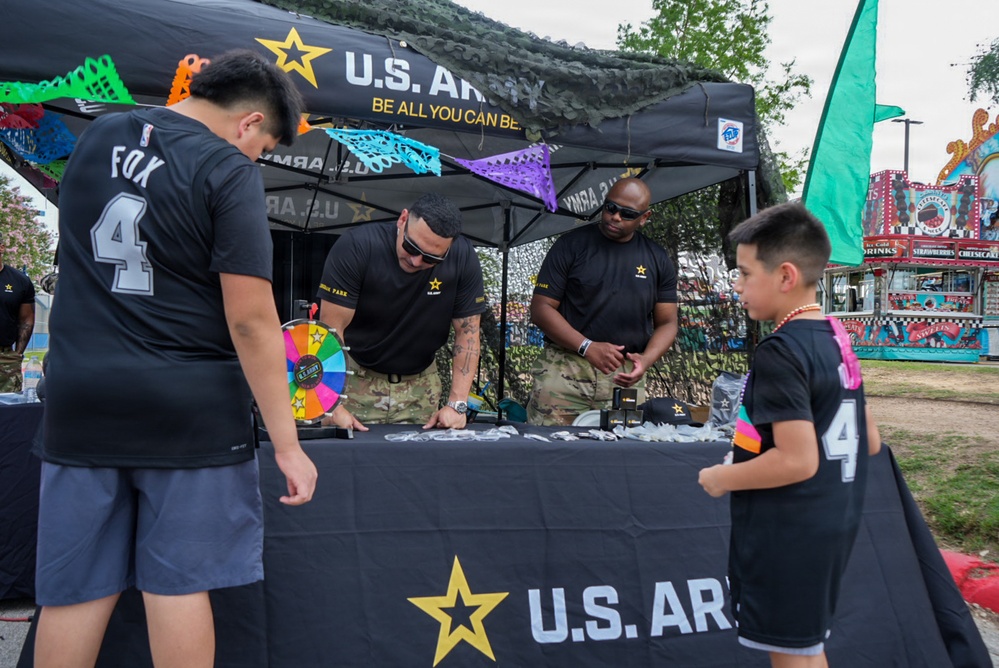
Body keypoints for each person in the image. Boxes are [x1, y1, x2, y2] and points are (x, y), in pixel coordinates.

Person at [34, 50, 317, 668]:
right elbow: (249, 320)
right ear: (248, 123)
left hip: (81, 397)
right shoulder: (226, 167)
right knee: (178, 586)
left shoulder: (98, 134)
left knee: (73, 592)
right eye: (264, 149)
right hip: (187, 410)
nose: (258, 161)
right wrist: (288, 443)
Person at [698, 202, 882, 668]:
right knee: (803, 647)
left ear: (784, 276)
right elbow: (871, 440)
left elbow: (798, 461)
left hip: (790, 530)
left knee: (792, 655)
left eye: (743, 273)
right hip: (830, 523)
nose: (736, 286)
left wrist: (722, 479)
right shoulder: (837, 336)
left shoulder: (780, 349)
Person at [316, 193, 486, 430]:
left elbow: (468, 334)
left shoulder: (463, 257)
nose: (416, 261)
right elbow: (331, 331)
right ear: (403, 220)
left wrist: (457, 404)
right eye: (411, 246)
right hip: (356, 380)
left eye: (430, 258)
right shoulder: (358, 246)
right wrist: (331, 403)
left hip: (421, 386)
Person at [526, 177, 679, 425]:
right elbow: (541, 308)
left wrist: (647, 359)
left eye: (627, 213)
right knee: (549, 453)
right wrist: (587, 346)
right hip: (565, 371)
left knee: (619, 458)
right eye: (611, 207)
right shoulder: (570, 245)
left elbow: (668, 322)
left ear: (644, 217)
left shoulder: (657, 259)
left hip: (624, 377)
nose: (615, 217)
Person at [0, 237, 35, 392]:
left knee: (8, 410)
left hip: (5, 357)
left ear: (1, 248)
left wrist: (18, 354)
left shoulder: (20, 281)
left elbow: (26, 319)